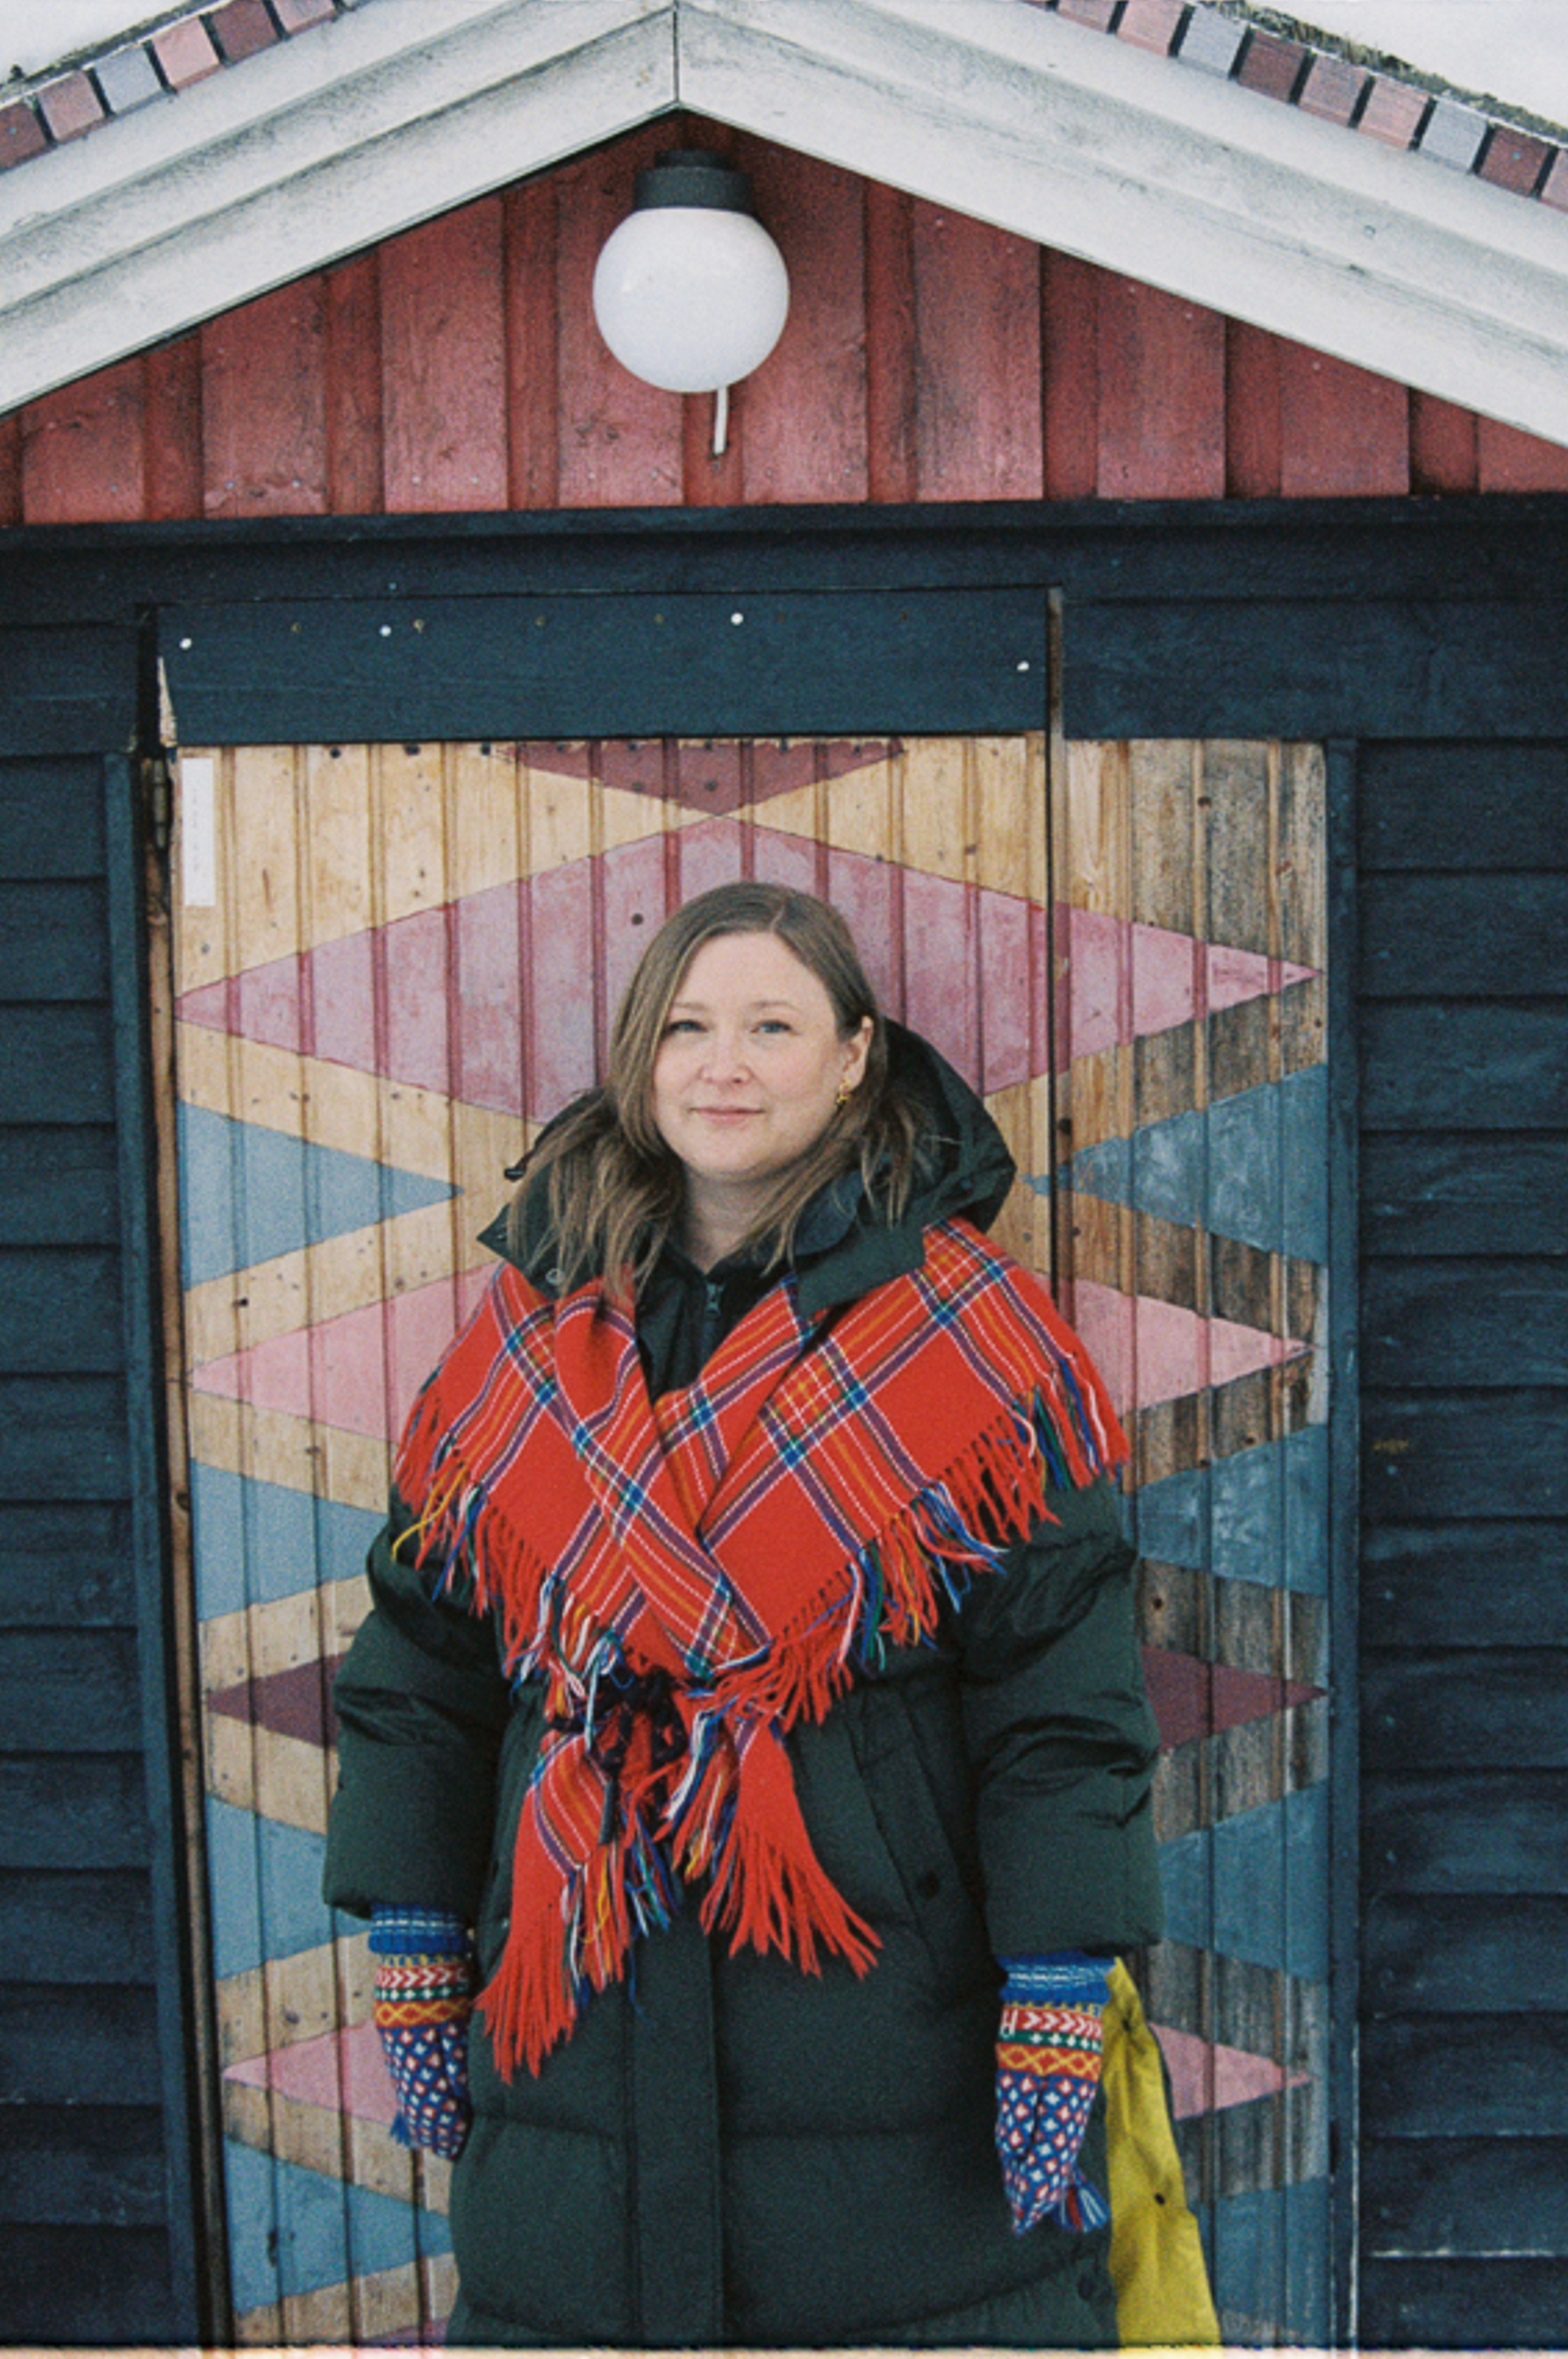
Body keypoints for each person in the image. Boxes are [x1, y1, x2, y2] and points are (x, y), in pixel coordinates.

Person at [323, 881, 1164, 2348]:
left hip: (886, 2030)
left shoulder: (977, 1342)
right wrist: (411, 1919)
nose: (726, 1064)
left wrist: (1056, 1972)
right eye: (690, 1026)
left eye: (772, 1025)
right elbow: (425, 1659)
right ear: (643, 1062)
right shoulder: (524, 1336)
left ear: (853, 1056)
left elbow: (1060, 1701)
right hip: (574, 2026)